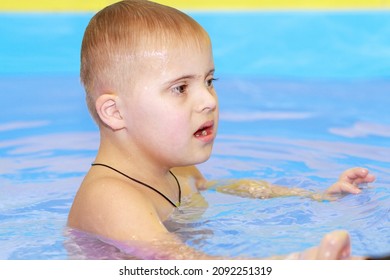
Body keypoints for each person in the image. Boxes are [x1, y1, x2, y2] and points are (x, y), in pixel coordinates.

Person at [67, 0, 375, 260]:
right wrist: (296, 262)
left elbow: (223, 185)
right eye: (180, 88)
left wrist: (314, 195)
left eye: (209, 81)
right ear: (115, 112)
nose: (208, 100)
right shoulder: (110, 197)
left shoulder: (182, 173)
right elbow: (186, 265)